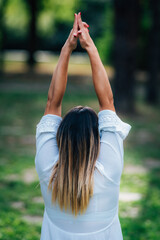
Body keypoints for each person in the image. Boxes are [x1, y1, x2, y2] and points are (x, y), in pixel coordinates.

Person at [35, 12, 131, 240]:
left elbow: (52, 103)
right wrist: (91, 47)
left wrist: (67, 48)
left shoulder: (47, 169)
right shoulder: (109, 170)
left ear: (61, 137)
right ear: (96, 140)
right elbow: (107, 101)